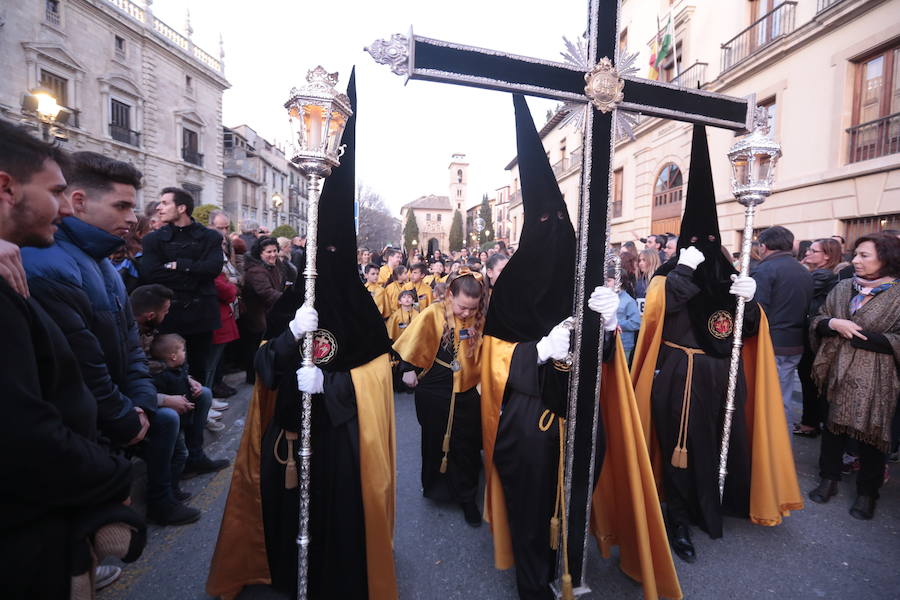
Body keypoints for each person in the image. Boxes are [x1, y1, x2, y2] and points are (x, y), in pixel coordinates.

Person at [479, 95, 680, 600]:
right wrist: (537, 352)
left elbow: (607, 363)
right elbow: (491, 363)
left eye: (561, 229)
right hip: (528, 421)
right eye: (544, 228)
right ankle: (533, 584)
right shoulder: (509, 289)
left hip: (582, 418)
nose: (555, 238)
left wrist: (610, 324)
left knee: (574, 499)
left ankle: (569, 567)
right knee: (531, 508)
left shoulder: (582, 282)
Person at [208, 72, 397, 599]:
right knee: (282, 529)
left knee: (336, 534)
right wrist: (289, 339)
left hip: (340, 448)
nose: (329, 263)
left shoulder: (360, 310)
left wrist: (334, 389)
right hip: (286, 439)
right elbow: (262, 370)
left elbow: (378, 380)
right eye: (324, 254)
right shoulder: (295, 299)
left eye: (338, 255)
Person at [631, 125, 802, 565]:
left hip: (721, 378)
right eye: (694, 241)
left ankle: (714, 504)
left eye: (708, 241)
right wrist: (682, 272)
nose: (702, 248)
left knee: (714, 445)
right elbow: (659, 312)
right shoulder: (670, 272)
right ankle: (677, 517)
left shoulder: (729, 271)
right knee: (675, 448)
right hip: (677, 375)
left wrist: (752, 301)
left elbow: (744, 331)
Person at [0, 120, 145, 598]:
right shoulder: (31, 272)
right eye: (56, 192)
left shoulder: (87, 261)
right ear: (6, 188)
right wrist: (111, 475)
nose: (64, 208)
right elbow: (25, 428)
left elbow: (122, 340)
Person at [808, 233, 900, 520]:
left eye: (864, 256)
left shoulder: (897, 295)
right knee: (833, 426)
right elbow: (818, 319)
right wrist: (833, 322)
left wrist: (861, 336)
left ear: (886, 259)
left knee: (872, 432)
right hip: (835, 368)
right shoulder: (843, 286)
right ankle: (829, 478)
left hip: (877, 375)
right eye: (855, 254)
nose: (856, 261)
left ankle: (867, 493)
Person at [394, 270, 486, 525]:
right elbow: (412, 343)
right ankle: (436, 487)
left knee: (466, 444)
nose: (467, 313)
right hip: (435, 387)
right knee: (434, 439)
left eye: (472, 308)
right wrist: (408, 369)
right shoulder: (432, 314)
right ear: (449, 296)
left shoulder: (478, 319)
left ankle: (467, 497)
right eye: (461, 307)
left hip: (466, 390)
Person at [142, 187, 224, 386]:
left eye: (165, 203)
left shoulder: (210, 237)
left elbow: (213, 269)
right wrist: (195, 275)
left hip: (201, 312)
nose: (159, 208)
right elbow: (151, 273)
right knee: (169, 366)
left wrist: (180, 265)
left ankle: (201, 406)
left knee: (199, 365)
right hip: (169, 314)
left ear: (181, 208)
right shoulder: (153, 239)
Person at [752, 225, 814, 421]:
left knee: (769, 402)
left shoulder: (766, 269)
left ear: (764, 246)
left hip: (771, 343)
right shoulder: (803, 270)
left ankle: (773, 447)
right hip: (794, 342)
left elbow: (757, 310)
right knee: (782, 398)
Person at [794, 238, 842, 436]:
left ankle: (810, 423)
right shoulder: (819, 274)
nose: (806, 253)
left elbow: (801, 295)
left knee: (810, 381)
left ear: (827, 255)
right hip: (814, 335)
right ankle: (811, 422)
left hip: (813, 337)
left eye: (812, 251)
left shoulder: (821, 275)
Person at [239, 236, 283, 383]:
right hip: (256, 317)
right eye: (268, 252)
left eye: (275, 251)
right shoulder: (256, 271)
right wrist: (287, 299)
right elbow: (267, 294)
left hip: (266, 316)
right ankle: (255, 378)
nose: (273, 254)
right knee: (254, 350)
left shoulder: (274, 266)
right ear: (260, 253)